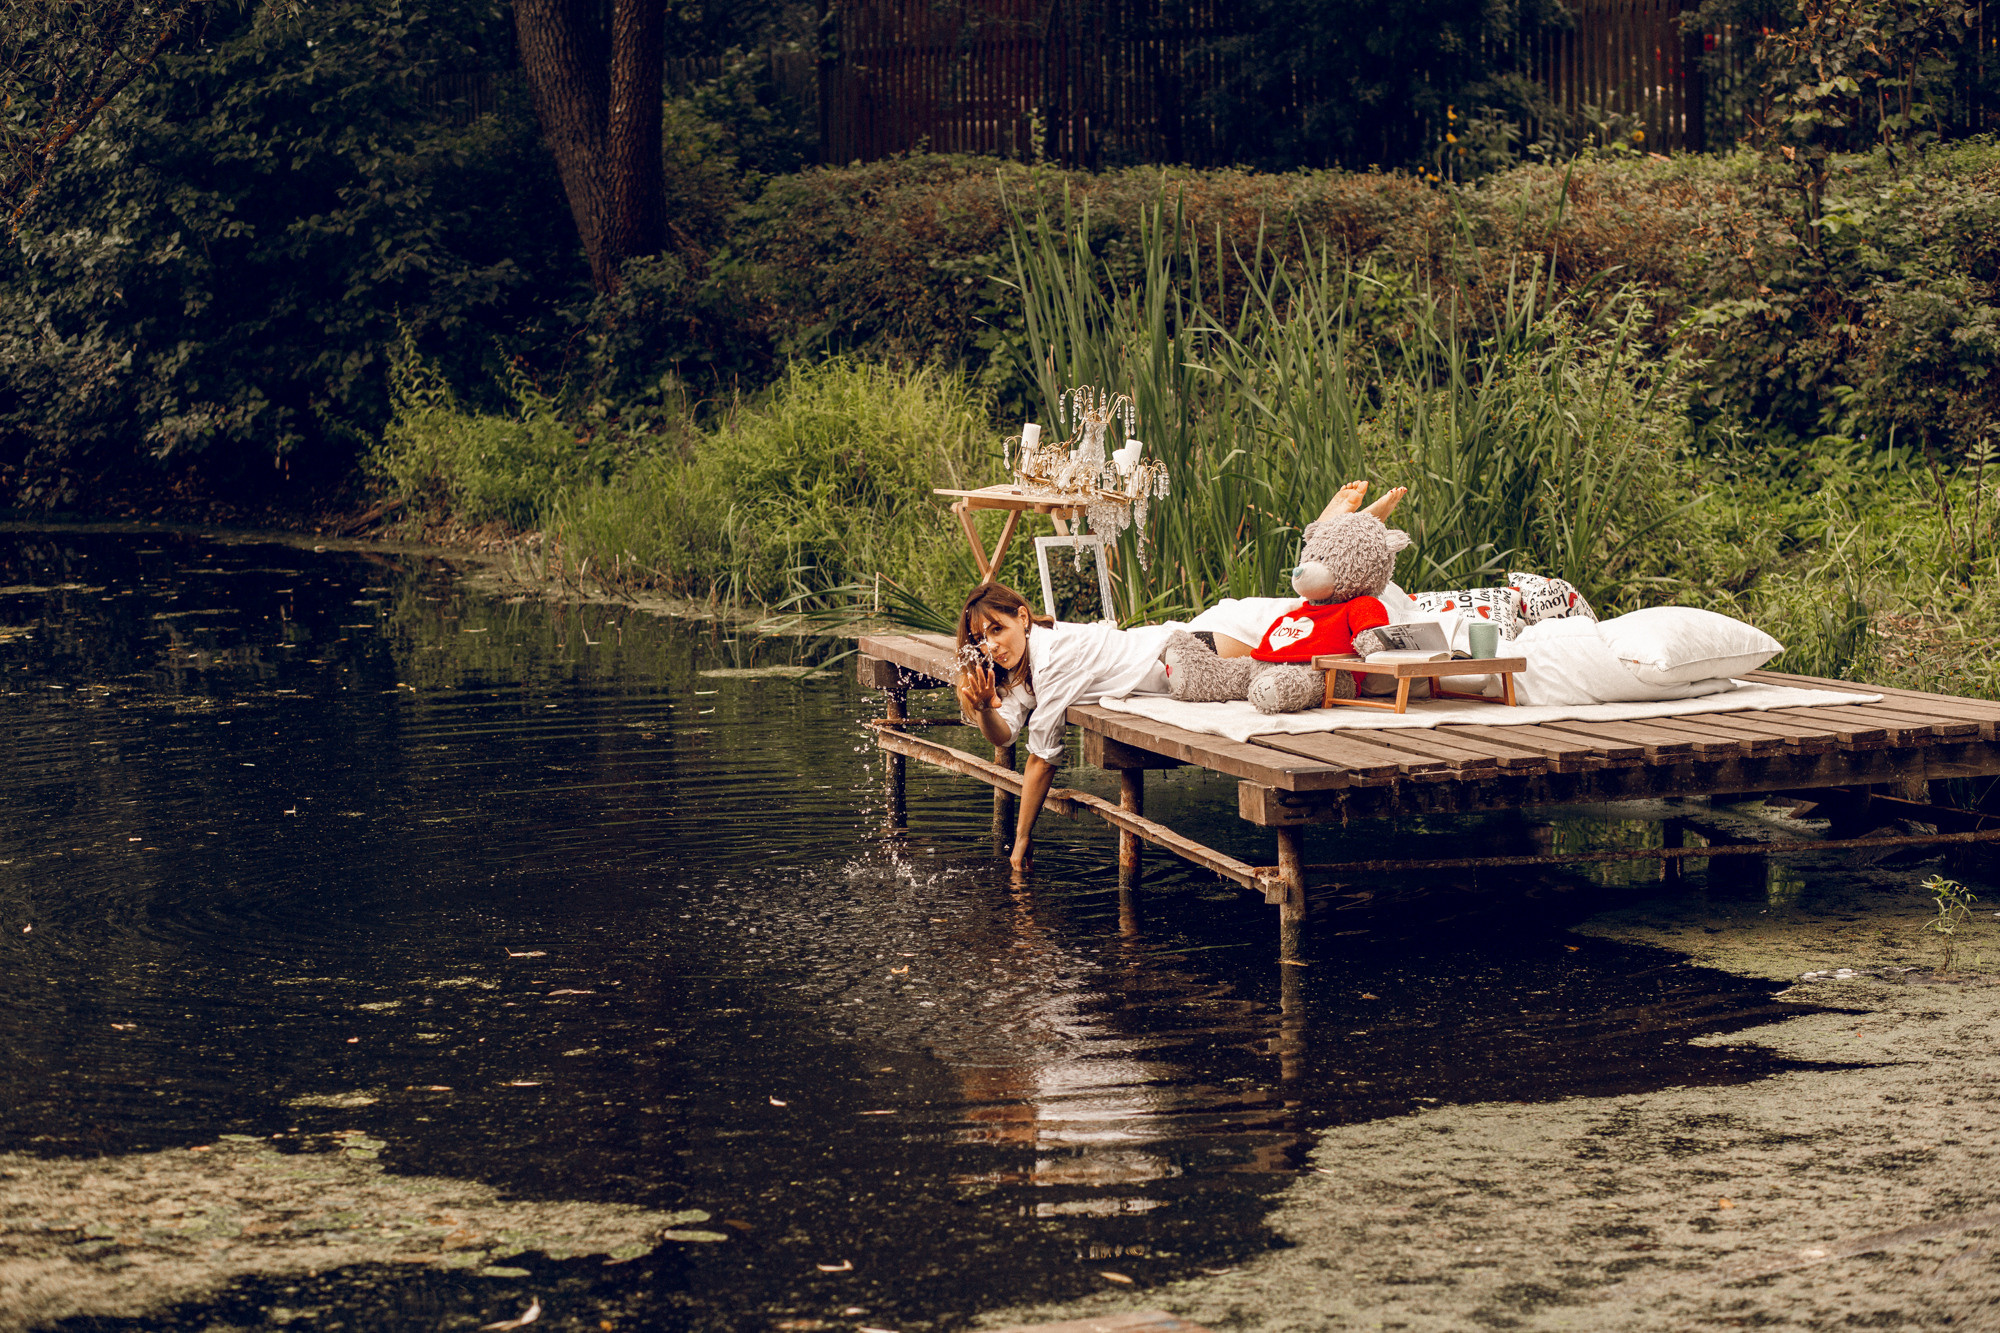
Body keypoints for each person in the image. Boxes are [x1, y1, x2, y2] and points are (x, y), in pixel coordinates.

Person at [954, 479, 1407, 874]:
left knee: (1318, 618)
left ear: (1023, 618)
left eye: (997, 630)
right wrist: (982, 709)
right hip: (1186, 642)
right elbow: (1005, 735)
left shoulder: (1052, 658)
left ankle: (1351, 534)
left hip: (1202, 644)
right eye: (981, 638)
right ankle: (1345, 534)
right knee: (1308, 615)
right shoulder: (1017, 667)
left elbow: (1041, 758)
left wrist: (1022, 840)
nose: (991, 645)